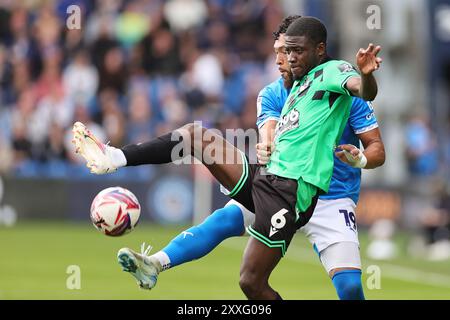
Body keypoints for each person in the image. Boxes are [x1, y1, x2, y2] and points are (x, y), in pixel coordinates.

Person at [73, 16, 382, 299]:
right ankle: (115, 161)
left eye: (292, 51)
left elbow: (367, 109)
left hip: (317, 194)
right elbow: (271, 132)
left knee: (345, 286)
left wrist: (361, 156)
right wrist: (267, 144)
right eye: (281, 51)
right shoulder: (279, 91)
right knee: (202, 156)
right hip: (274, 180)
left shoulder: (332, 76)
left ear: (317, 49)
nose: (283, 59)